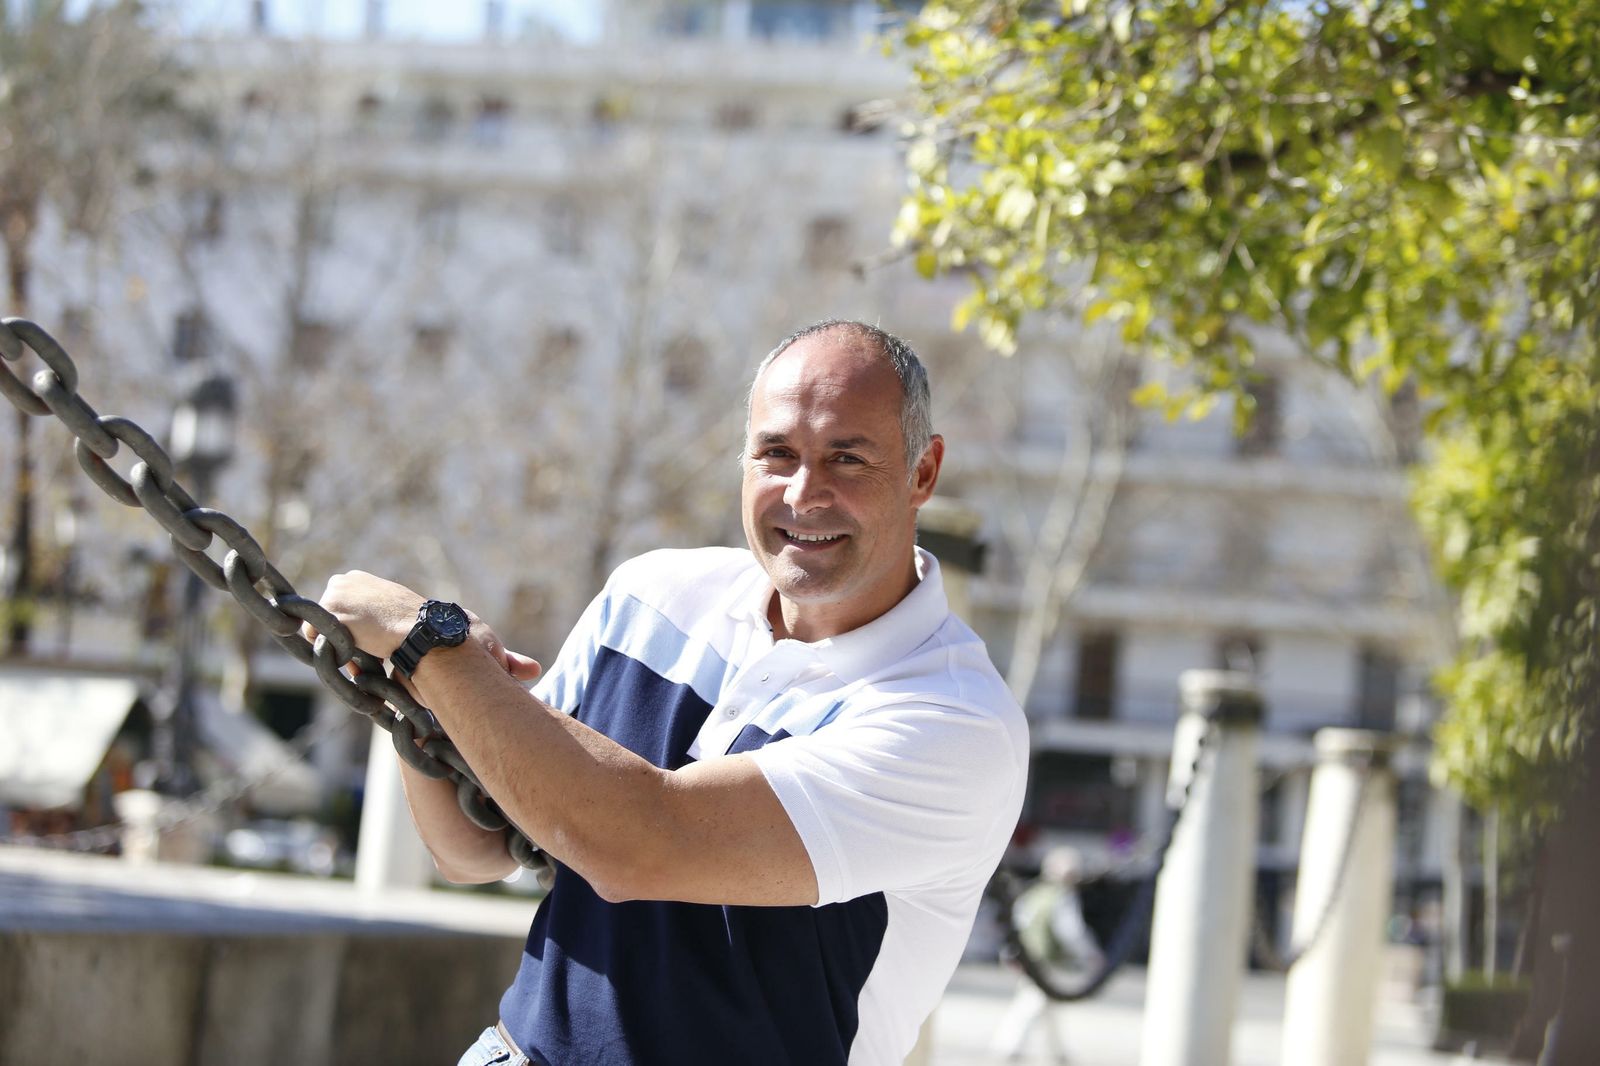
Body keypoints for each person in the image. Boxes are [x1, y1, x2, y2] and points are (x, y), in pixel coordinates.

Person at [317, 320, 1030, 1065]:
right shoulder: (652, 595)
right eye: (776, 453)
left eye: (846, 458)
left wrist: (431, 643)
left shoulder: (956, 723)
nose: (803, 492)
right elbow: (475, 847)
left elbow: (637, 841)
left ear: (923, 471)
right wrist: (417, 686)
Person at [990, 846, 1104, 1063]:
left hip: (1029, 956)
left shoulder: (1035, 893)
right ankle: (1009, 1045)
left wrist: (1011, 954)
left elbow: (1018, 924)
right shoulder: (1061, 897)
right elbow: (1071, 932)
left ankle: (1058, 1051)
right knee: (1033, 1002)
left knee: (1047, 1004)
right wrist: (1090, 953)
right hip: (1046, 959)